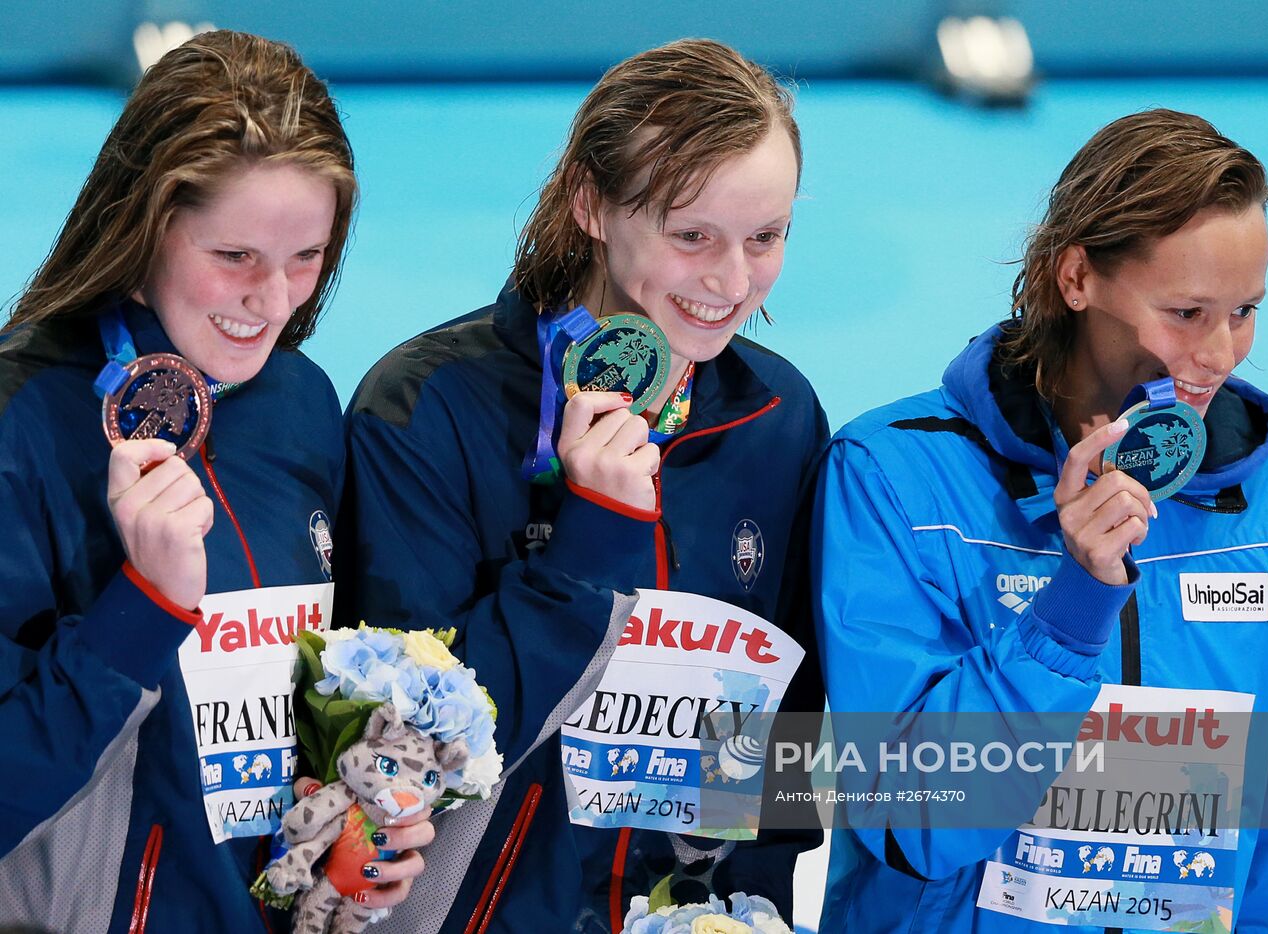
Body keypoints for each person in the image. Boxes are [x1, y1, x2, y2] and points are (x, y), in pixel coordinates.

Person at [815, 109, 1268, 932]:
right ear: (1076, 279)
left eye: (1244, 312)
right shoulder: (895, 477)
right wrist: (1067, 614)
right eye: (1186, 313)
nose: (1220, 356)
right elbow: (904, 816)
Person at [341, 38, 828, 933]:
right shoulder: (424, 409)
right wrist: (593, 542)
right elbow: (399, 753)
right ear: (592, 207)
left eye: (767, 237)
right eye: (691, 237)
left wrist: (750, 905)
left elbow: (782, 729)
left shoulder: (778, 417)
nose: (731, 282)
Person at [0, 31, 428, 933]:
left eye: (307, 259)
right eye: (234, 257)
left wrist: (360, 822)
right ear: (147, 221)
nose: (274, 303)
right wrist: (144, 606)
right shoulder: (21, 423)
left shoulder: (304, 403)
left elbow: (321, 696)